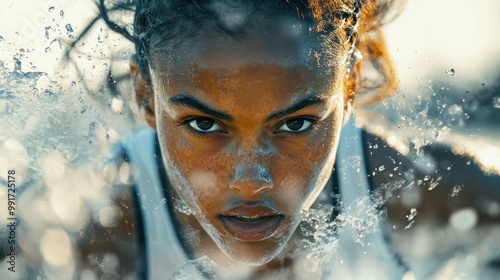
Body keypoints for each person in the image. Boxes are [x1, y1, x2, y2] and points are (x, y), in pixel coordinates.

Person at [72, 0, 500, 279]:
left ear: (347, 88)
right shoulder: (95, 233)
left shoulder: (418, 193)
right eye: (205, 126)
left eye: (295, 125)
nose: (250, 181)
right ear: (146, 96)